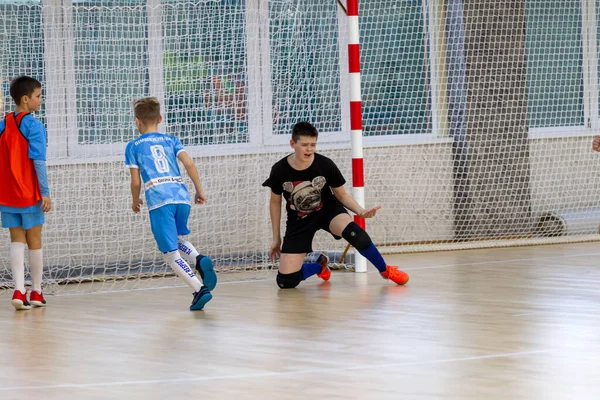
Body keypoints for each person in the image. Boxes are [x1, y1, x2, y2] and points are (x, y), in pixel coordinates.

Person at [262, 121, 409, 289]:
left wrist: (360, 211)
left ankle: (385, 270)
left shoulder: (325, 164)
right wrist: (276, 238)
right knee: (285, 281)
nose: (309, 149)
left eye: (313, 144)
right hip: (299, 220)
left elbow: (341, 195)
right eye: (304, 145)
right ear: (292, 144)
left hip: (328, 211)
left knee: (356, 235)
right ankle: (319, 265)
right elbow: (275, 203)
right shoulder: (280, 170)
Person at [125, 97, 216, 310]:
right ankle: (198, 258)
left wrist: (135, 200)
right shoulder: (171, 140)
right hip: (181, 197)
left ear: (137, 121)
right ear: (160, 118)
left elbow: (135, 181)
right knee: (178, 238)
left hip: (159, 200)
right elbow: (189, 163)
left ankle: (198, 288)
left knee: (169, 253)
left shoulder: (133, 146)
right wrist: (199, 190)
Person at [0, 75, 52, 310]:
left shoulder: (2, 124)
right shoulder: (34, 125)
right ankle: (37, 292)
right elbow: (38, 162)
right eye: (38, 96)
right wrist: (45, 192)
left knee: (16, 240)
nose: (40, 100)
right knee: (35, 240)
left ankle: (18, 291)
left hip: (6, 193)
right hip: (29, 193)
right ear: (25, 99)